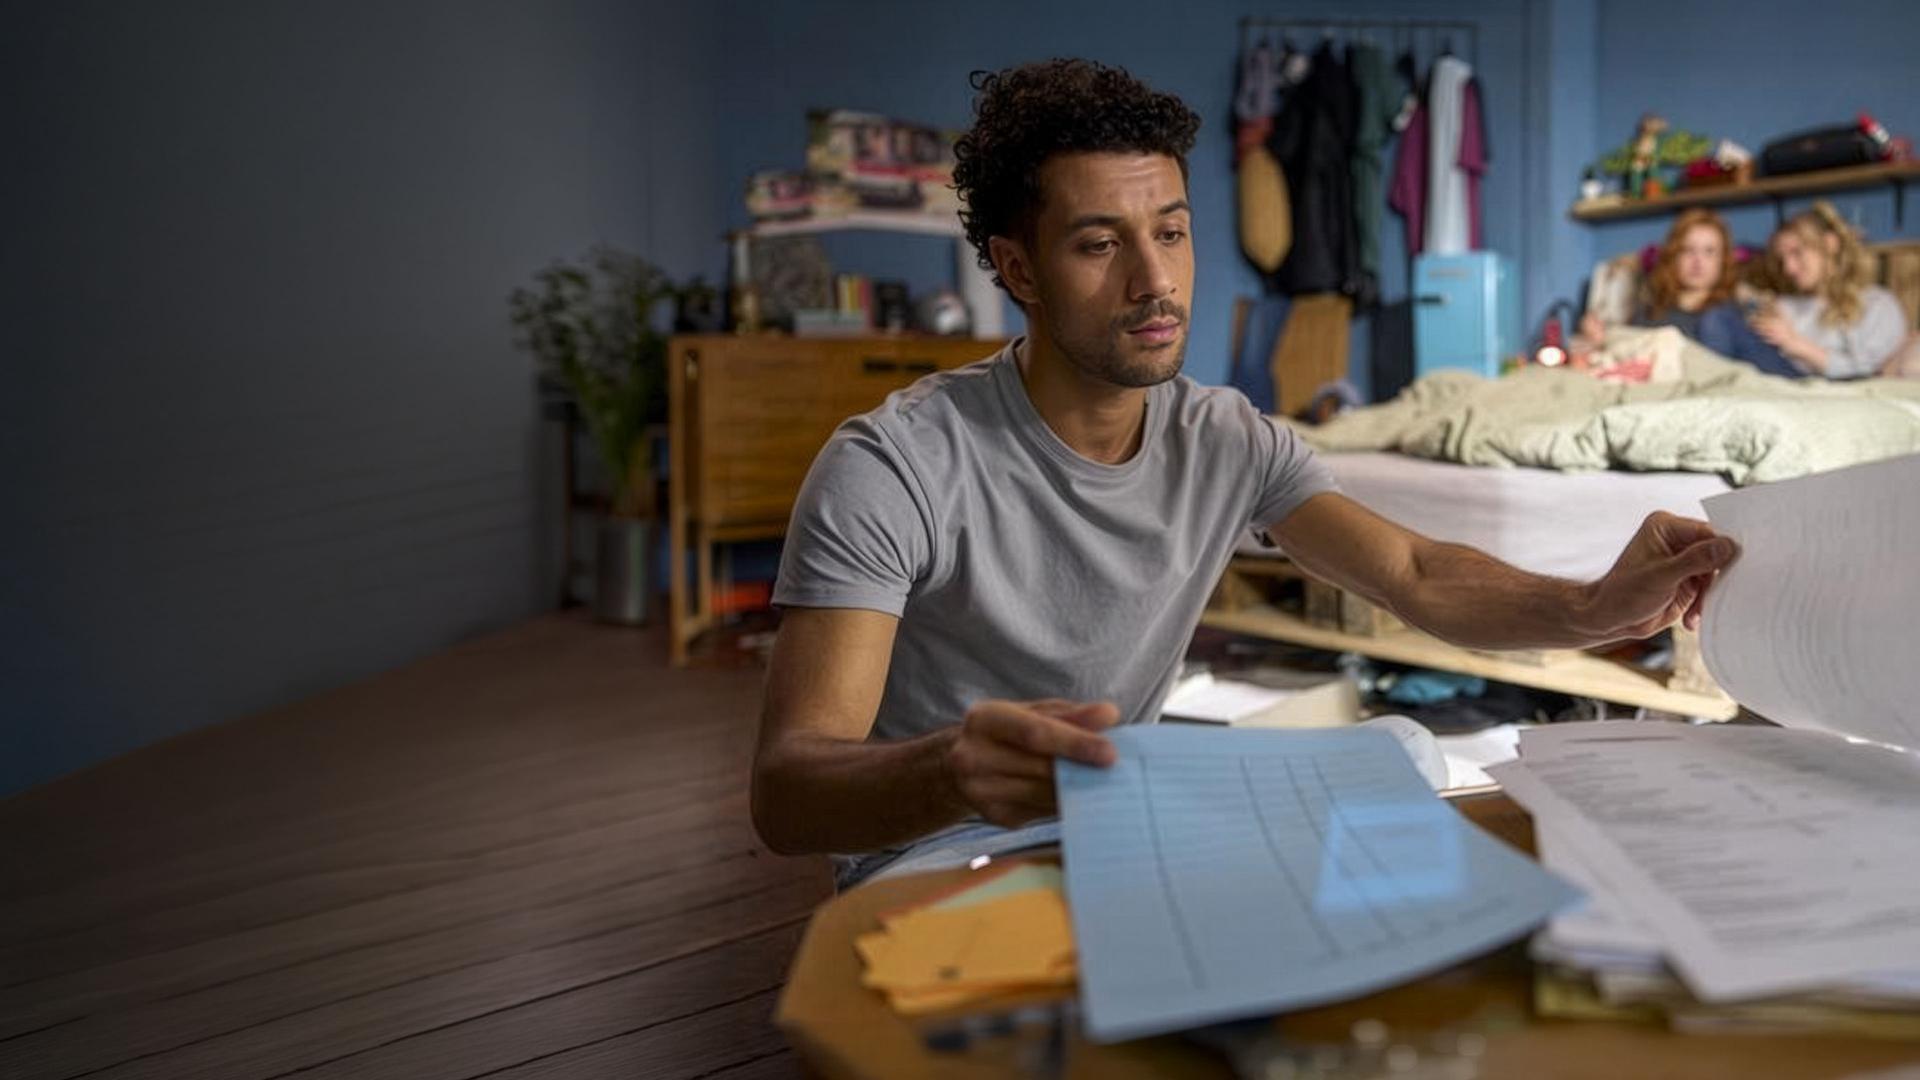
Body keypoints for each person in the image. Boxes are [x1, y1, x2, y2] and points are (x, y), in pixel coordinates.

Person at [750, 60, 1738, 888]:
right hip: (943, 851)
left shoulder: (1227, 438)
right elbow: (790, 790)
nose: (1155, 281)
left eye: (1171, 232)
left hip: (1110, 817)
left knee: (1399, 749)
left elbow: (1418, 576)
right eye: (1101, 244)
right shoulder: (893, 463)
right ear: (1015, 268)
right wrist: (956, 770)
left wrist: (1597, 606)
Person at [1697, 201, 1910, 379]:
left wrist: (1794, 344)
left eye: (1797, 253)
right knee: (1721, 317)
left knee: (1719, 319)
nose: (1789, 268)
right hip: (1778, 372)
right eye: (1783, 259)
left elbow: (1867, 369)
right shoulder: (1787, 304)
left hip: (1826, 382)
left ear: (1830, 244)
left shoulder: (1878, 303)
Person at [1579, 208, 1742, 344]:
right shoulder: (1650, 310)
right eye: (1687, 250)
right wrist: (1601, 340)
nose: (1698, 262)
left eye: (1709, 252)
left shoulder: (1728, 317)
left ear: (1723, 260)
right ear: (1673, 256)